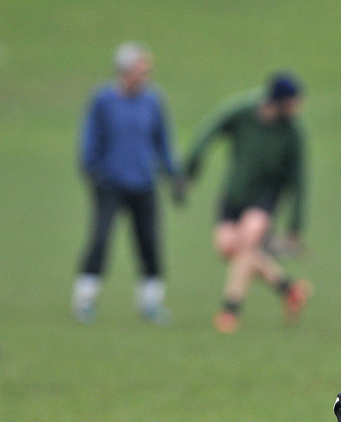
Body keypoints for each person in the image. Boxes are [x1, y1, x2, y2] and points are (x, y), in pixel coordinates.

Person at [181, 72, 311, 334]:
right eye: (293, 102)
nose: (298, 108)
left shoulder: (293, 133)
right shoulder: (243, 113)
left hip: (266, 197)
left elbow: (299, 181)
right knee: (228, 248)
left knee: (246, 242)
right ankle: (289, 289)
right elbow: (210, 130)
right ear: (279, 100)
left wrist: (295, 226)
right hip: (234, 193)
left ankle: (230, 311)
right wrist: (190, 169)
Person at [73, 42, 180, 324]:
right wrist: (91, 168)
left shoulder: (153, 100)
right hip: (110, 183)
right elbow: (90, 136)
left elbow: (162, 141)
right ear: (124, 70)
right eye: (139, 69)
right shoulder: (104, 99)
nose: (145, 74)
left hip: (143, 183)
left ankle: (151, 302)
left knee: (149, 243)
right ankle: (85, 299)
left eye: (147, 69)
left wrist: (173, 174)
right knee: (100, 239)